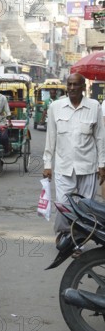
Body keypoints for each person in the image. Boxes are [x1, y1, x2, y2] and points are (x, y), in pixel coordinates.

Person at [43, 73, 105, 236]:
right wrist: (47, 164)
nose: (71, 88)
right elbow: (51, 137)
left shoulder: (94, 106)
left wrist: (102, 164)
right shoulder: (55, 107)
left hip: (88, 166)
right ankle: (64, 234)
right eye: (69, 84)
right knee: (63, 203)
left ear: (83, 87)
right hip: (64, 166)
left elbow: (100, 137)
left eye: (75, 84)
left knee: (85, 206)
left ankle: (79, 239)